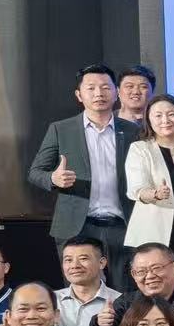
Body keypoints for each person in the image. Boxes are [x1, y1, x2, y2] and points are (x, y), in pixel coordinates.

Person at [29, 64, 137, 264]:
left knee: (125, 284)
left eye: (105, 87)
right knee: (80, 282)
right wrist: (53, 178)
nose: (99, 93)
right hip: (76, 226)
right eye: (91, 88)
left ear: (116, 93)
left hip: (124, 224)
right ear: (79, 95)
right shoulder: (61, 129)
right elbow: (35, 172)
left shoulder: (134, 131)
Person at [122, 96, 174, 282]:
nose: (165, 120)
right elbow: (136, 189)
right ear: (149, 120)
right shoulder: (140, 148)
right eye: (158, 115)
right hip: (153, 227)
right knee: (153, 283)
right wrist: (155, 194)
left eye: (171, 114)